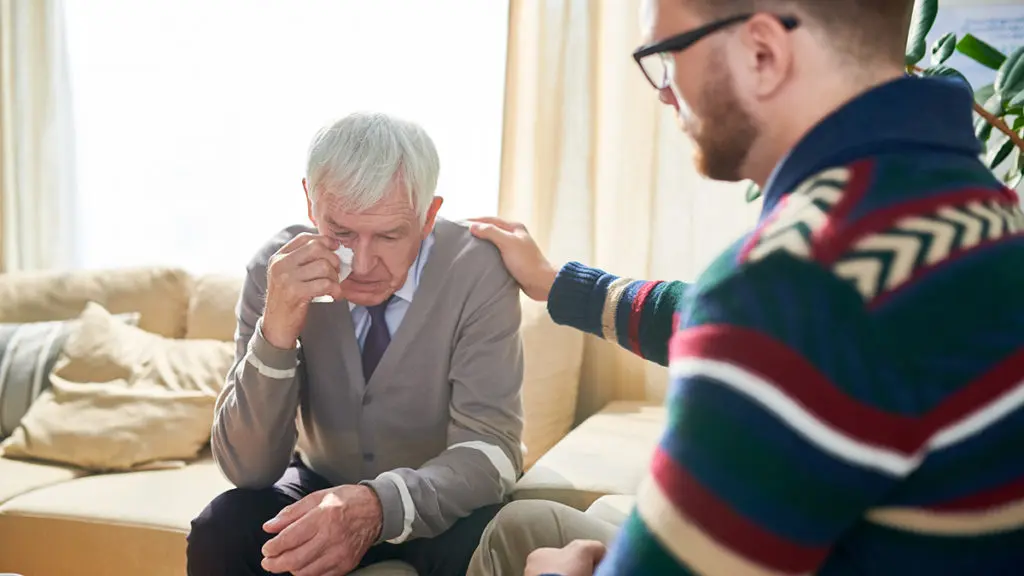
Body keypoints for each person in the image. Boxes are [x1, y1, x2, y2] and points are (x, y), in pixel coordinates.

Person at [467, 0, 1024, 574]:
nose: (662, 91)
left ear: (763, 52)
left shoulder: (791, 285)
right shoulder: (973, 206)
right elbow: (735, 326)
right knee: (525, 522)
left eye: (664, 55)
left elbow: (773, 324)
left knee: (530, 548)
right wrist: (561, 285)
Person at [186, 112, 525, 576]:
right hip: (320, 483)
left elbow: (492, 451)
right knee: (221, 527)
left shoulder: (478, 269)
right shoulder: (276, 269)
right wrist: (277, 328)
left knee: (497, 541)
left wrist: (376, 506)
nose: (363, 263)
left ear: (428, 215)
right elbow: (248, 470)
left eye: (389, 235)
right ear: (310, 202)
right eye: (341, 232)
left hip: (442, 503)